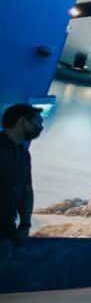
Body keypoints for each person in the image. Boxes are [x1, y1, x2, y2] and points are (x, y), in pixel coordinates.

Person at [1, 104, 43, 264]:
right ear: (22, 121)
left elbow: (27, 189)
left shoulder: (24, 154)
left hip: (6, 232)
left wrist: (25, 224)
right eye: (38, 122)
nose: (40, 127)